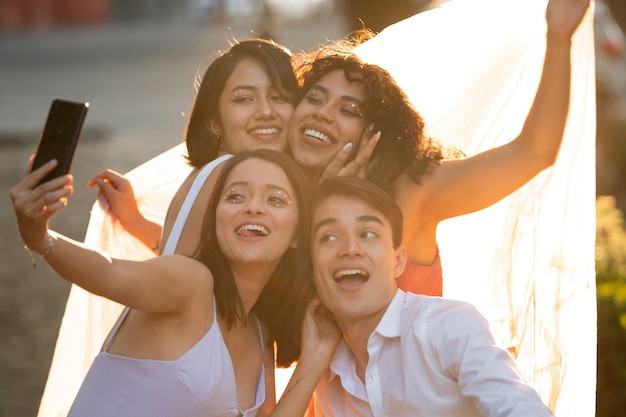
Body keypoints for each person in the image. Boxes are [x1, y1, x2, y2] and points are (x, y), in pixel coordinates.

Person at [11, 149, 315, 416]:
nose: (253, 207)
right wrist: (41, 238)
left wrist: (317, 355)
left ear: (297, 235)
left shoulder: (260, 337)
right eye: (235, 196)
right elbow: (109, 271)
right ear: (215, 218)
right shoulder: (191, 284)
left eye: (276, 199)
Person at [300, 175, 556, 416]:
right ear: (312, 268)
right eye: (330, 236)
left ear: (399, 262)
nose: (350, 249)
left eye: (368, 234)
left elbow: (519, 407)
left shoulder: (446, 325)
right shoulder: (326, 376)